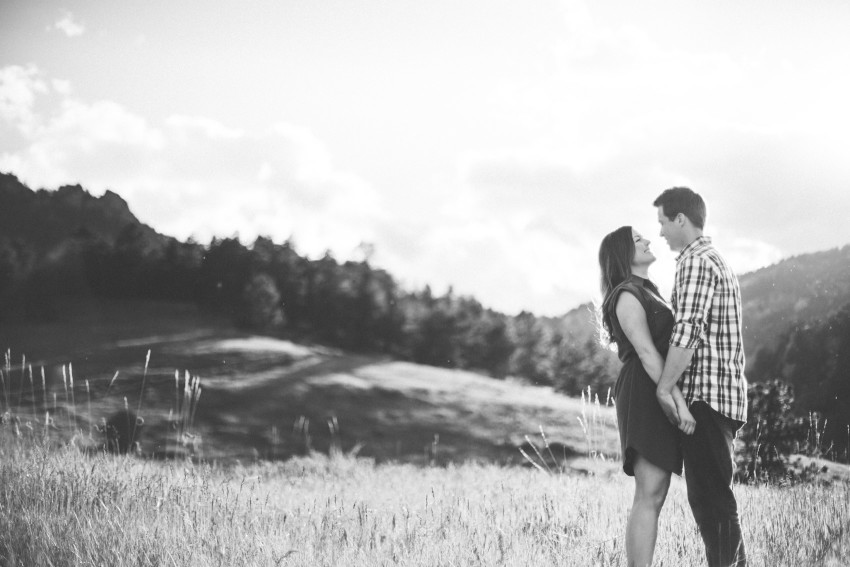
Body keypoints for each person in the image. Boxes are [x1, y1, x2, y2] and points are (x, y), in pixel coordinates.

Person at [653, 187, 748, 567]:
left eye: (662, 221)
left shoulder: (695, 261)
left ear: (681, 219)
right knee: (713, 499)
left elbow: (689, 329)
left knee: (711, 500)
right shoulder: (714, 258)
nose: (659, 232)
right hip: (720, 396)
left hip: (706, 397)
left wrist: (664, 386)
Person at [598, 225, 695, 567]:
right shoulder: (627, 294)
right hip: (644, 390)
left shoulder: (647, 289)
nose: (648, 240)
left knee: (656, 493)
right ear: (623, 253)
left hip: (655, 386)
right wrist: (677, 401)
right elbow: (646, 352)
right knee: (649, 494)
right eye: (638, 240)